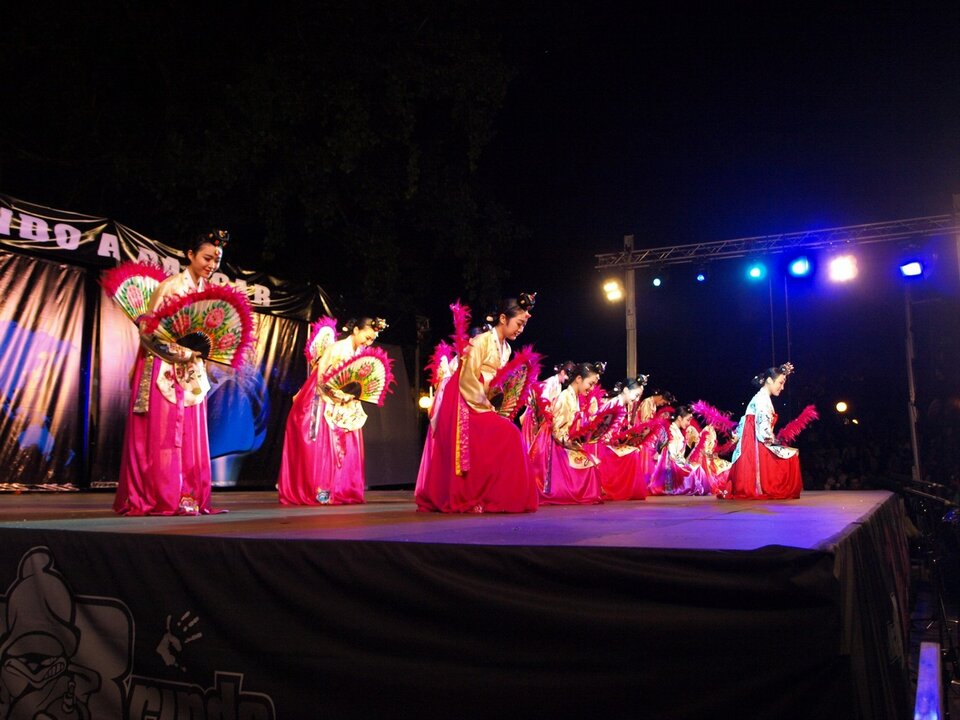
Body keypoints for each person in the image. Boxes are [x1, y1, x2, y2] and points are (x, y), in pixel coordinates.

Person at [114, 229, 229, 515]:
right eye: (207, 258)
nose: (212, 265)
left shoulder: (206, 292)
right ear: (190, 255)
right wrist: (186, 353)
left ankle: (187, 494)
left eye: (216, 261)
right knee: (164, 434)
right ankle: (161, 495)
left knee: (190, 433)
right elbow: (148, 334)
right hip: (162, 367)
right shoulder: (170, 287)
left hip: (190, 372)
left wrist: (202, 356)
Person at [416, 295, 539, 513]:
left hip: (481, 400)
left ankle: (490, 493)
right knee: (506, 435)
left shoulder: (506, 349)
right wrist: (485, 405)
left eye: (524, 325)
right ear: (503, 318)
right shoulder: (482, 341)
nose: (521, 329)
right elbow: (468, 377)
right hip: (464, 399)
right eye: (519, 323)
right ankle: (472, 494)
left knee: (504, 437)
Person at [278, 317, 387, 505]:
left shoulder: (360, 353)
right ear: (356, 330)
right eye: (367, 337)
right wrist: (337, 394)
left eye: (372, 339)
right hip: (323, 398)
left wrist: (351, 395)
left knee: (348, 444)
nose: (368, 342)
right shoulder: (336, 348)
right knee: (322, 443)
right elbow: (321, 378)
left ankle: (342, 489)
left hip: (346, 403)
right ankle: (321, 492)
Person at [722, 363, 802, 499]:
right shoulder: (762, 399)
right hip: (756, 444)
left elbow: (746, 421)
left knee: (789, 453)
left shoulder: (760, 397)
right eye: (780, 383)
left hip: (752, 441)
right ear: (769, 380)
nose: (782, 387)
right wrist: (775, 441)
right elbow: (762, 430)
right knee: (791, 456)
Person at [539, 362, 603, 505]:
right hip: (557, 446)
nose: (592, 388)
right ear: (579, 379)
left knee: (592, 463)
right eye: (590, 384)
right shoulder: (565, 397)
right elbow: (557, 430)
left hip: (566, 442)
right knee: (589, 466)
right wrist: (570, 444)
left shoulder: (574, 396)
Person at [597, 377, 649, 501]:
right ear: (626, 390)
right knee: (632, 454)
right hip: (601, 444)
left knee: (634, 450)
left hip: (610, 442)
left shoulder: (621, 405)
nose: (637, 399)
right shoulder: (614, 404)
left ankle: (625, 489)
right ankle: (619, 490)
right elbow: (601, 429)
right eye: (636, 395)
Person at [649, 405, 711, 495]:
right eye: (687, 420)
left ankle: (698, 488)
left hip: (678, 462)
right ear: (679, 418)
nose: (689, 423)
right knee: (692, 471)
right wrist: (684, 464)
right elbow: (669, 455)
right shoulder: (670, 430)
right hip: (670, 466)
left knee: (698, 468)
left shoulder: (678, 431)